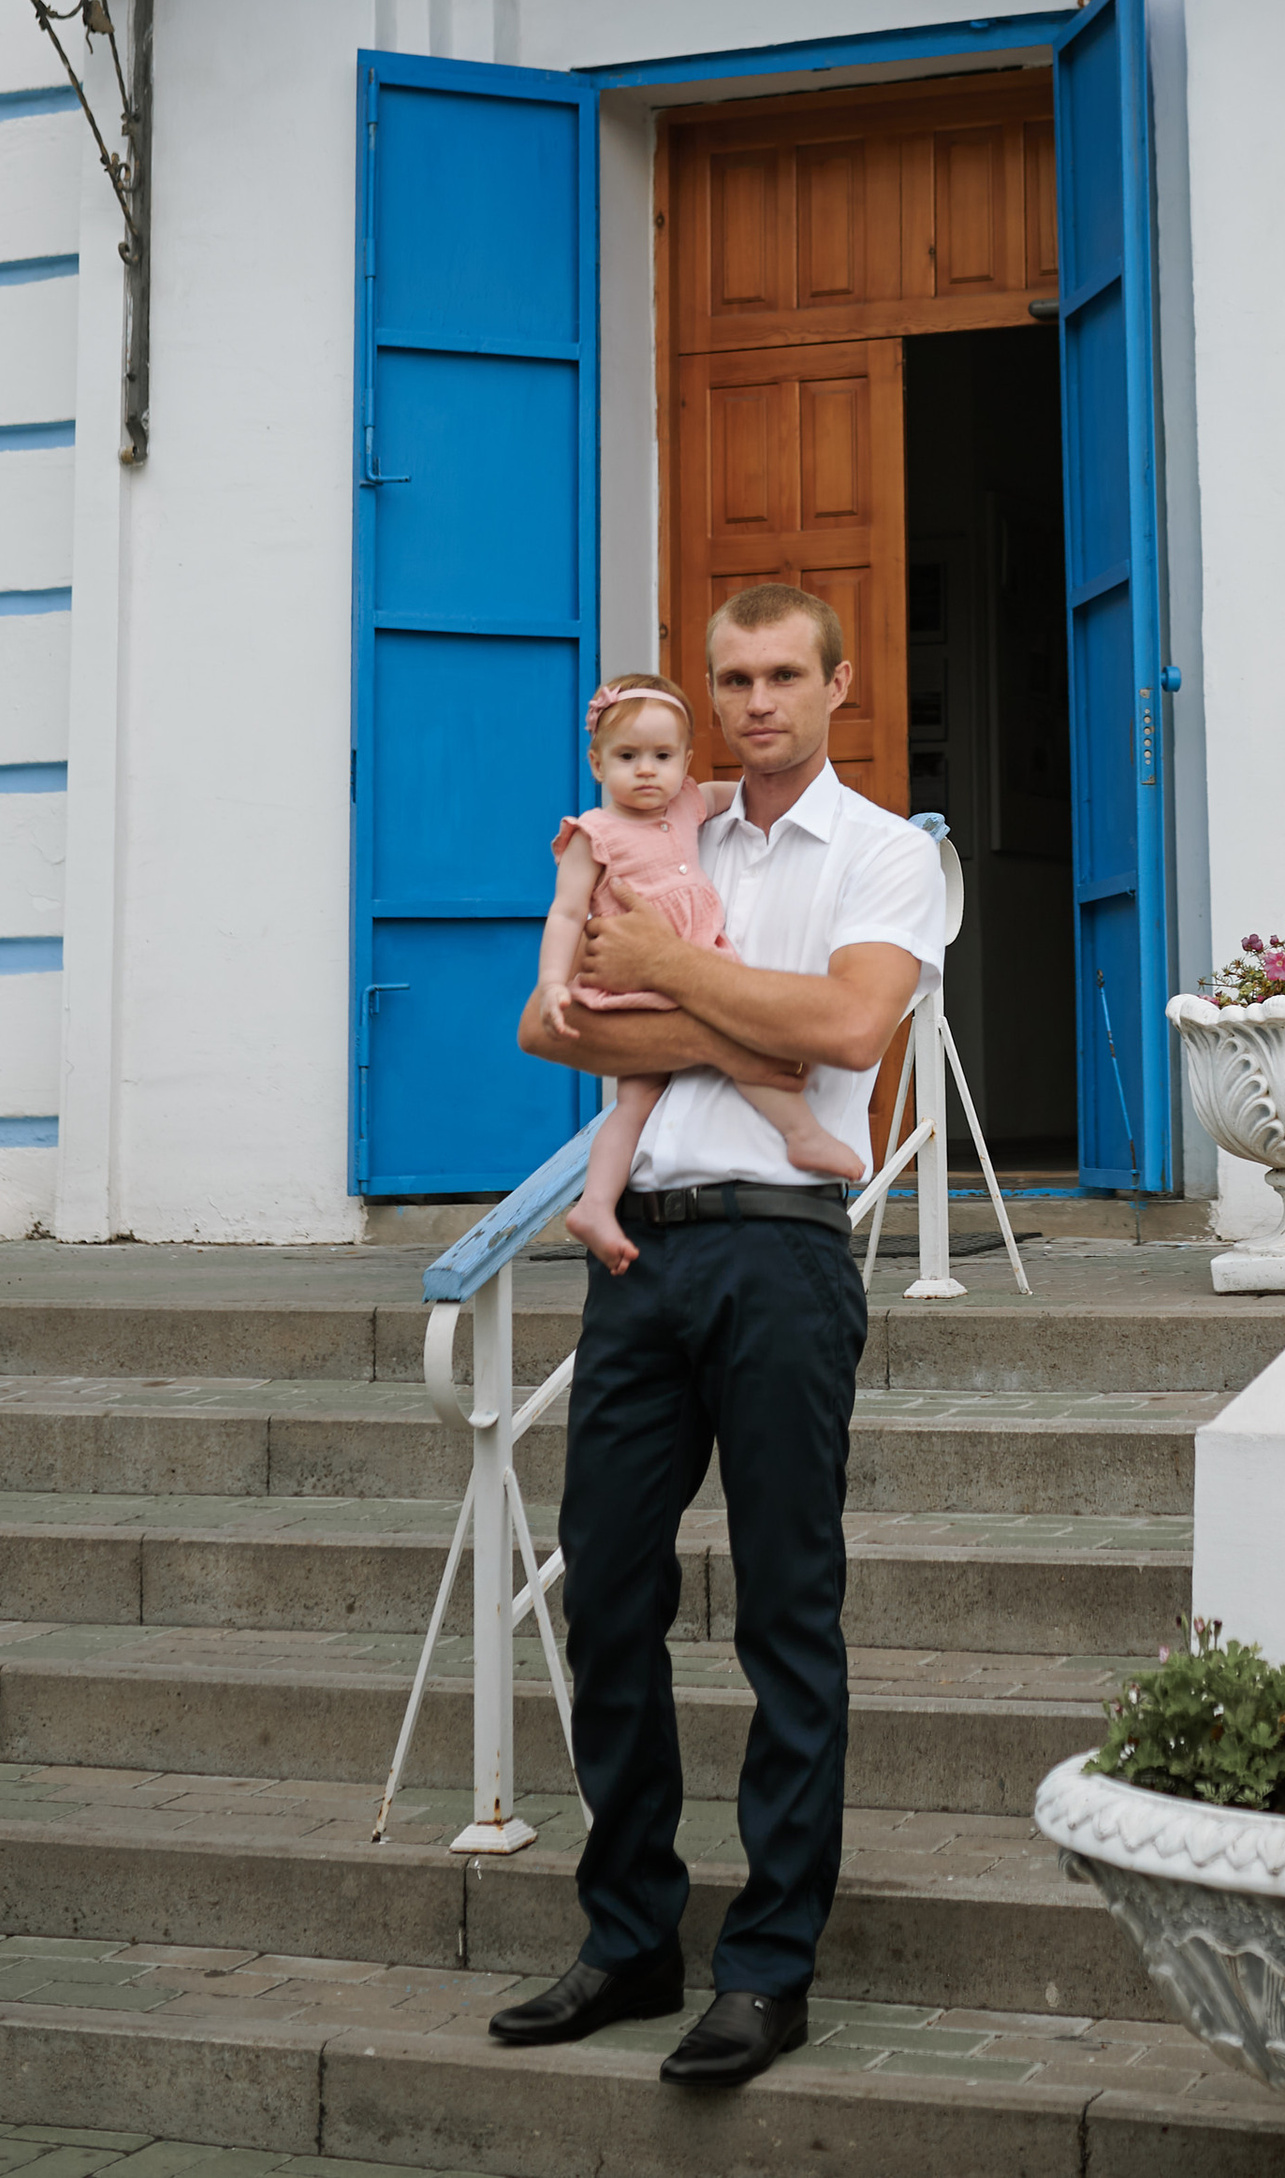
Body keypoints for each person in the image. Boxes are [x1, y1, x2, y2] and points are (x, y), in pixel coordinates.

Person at [489, 584, 946, 2092]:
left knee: (785, 1614)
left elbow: (852, 1031)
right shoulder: (653, 825)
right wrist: (750, 1012)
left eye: (782, 675)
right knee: (604, 1593)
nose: (756, 701)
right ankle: (629, 1936)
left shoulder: (884, 852)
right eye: (732, 677)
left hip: (783, 1253)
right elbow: (554, 1026)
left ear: (836, 680)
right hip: (643, 1253)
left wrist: (679, 980)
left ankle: (767, 1965)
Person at [539, 669, 867, 1274]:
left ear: (684, 762)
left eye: (662, 756)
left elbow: (734, 796)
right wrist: (555, 983)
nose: (646, 770)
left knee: (664, 1082)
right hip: (635, 978)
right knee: (678, 1075)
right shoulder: (595, 833)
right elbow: (564, 914)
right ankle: (797, 1136)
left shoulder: (689, 803)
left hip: (693, 961)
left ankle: (601, 1202)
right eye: (627, 756)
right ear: (596, 762)